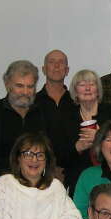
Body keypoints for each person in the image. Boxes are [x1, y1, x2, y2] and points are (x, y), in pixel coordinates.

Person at [0, 60, 48, 181]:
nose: (25, 92)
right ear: (7, 85)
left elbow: (49, 153)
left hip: (35, 185)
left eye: (30, 86)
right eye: (19, 86)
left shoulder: (42, 113)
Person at [62, 69, 111, 192]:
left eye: (92, 84)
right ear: (75, 92)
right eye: (82, 85)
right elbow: (59, 156)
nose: (87, 88)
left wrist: (101, 138)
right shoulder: (67, 118)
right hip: (78, 181)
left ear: (98, 91)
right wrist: (77, 147)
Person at [34, 49, 75, 177]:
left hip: (74, 170)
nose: (56, 66)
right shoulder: (32, 103)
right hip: (40, 170)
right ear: (44, 69)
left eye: (61, 62)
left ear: (67, 70)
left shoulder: (76, 102)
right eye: (51, 62)